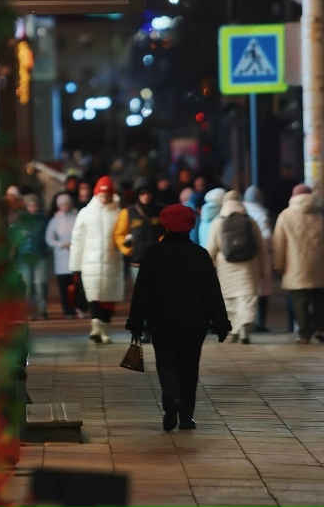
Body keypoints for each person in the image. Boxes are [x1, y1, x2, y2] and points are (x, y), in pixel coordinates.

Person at [125, 204, 231, 431]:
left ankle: (171, 396)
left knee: (166, 362)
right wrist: (221, 323)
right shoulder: (199, 255)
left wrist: (136, 322)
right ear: (191, 225)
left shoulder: (153, 254)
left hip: (161, 320)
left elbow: (142, 291)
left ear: (165, 224)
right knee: (190, 366)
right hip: (194, 322)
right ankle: (186, 417)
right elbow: (212, 292)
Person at [206, 189, 266, 344]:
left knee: (229, 300)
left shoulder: (218, 222)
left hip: (226, 266)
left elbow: (212, 248)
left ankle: (232, 332)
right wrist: (262, 269)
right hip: (248, 265)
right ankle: (245, 328)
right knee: (247, 298)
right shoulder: (250, 221)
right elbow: (261, 247)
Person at [69, 175, 124, 344]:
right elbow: (77, 240)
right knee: (94, 296)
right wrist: (75, 266)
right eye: (101, 195)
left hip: (111, 262)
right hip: (90, 262)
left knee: (108, 298)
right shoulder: (85, 213)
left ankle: (105, 329)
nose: (104, 199)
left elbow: (122, 234)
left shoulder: (118, 213)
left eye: (107, 196)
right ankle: (96, 328)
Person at [113, 177, 164, 341]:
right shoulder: (127, 213)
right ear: (137, 195)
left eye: (148, 193)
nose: (145, 196)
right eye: (142, 194)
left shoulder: (161, 211)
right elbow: (119, 234)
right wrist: (127, 249)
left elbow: (167, 232)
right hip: (137, 261)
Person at [273, 184, 324, 344]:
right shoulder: (319, 213)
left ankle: (304, 333)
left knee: (299, 299)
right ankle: (318, 328)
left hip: (295, 265)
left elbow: (279, 243)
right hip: (319, 264)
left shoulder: (285, 215)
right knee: (319, 296)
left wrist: (278, 264)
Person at [9, 194, 50, 320]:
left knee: (40, 284)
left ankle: (43, 309)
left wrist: (46, 250)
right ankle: (30, 312)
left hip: (39, 255)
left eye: (35, 205)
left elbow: (48, 236)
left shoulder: (43, 220)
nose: (33, 208)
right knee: (27, 285)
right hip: (24, 257)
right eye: (30, 205)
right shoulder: (19, 221)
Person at [243, 186, 274, 332]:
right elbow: (268, 238)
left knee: (248, 290)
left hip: (244, 257)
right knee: (263, 291)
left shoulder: (240, 212)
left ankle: (248, 321)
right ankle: (261, 322)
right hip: (262, 257)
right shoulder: (262, 215)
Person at [45, 192, 81, 318]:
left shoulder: (76, 217)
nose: (64, 206)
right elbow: (49, 239)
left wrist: (75, 244)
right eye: (61, 204)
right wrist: (60, 244)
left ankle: (78, 307)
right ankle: (67, 310)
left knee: (77, 285)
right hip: (61, 259)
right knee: (64, 287)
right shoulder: (54, 221)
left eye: (66, 203)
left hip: (75, 256)